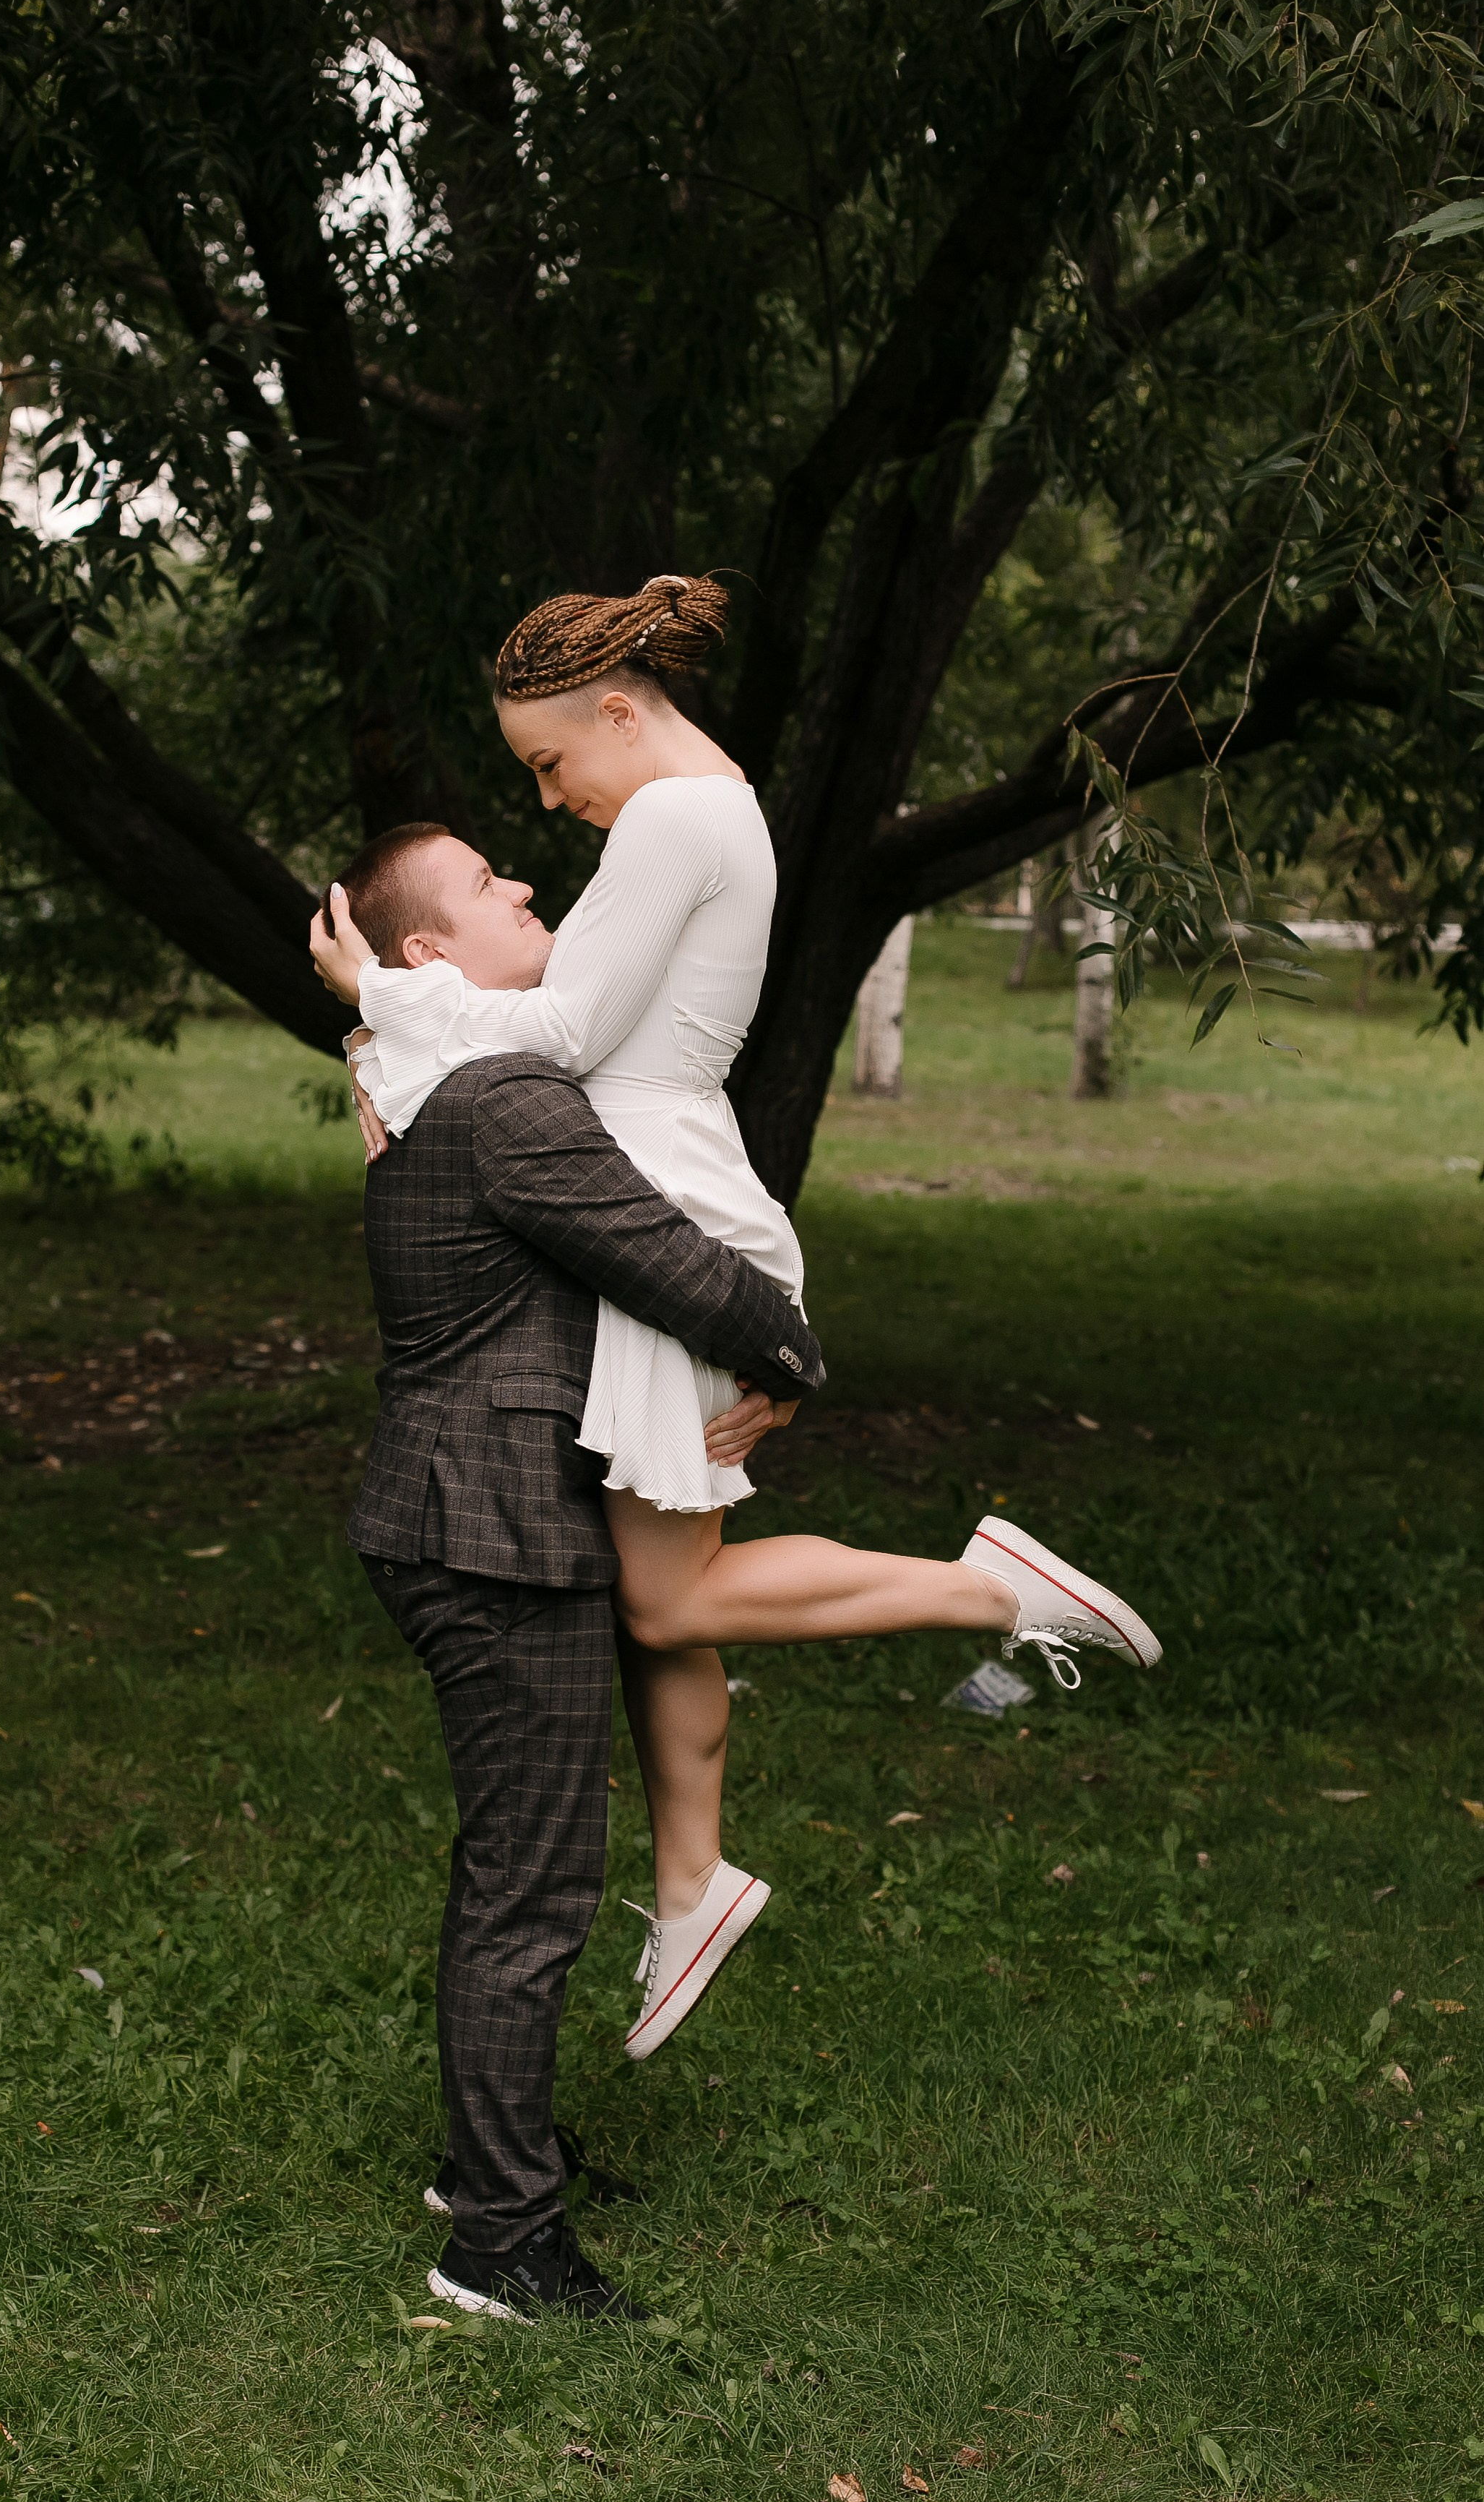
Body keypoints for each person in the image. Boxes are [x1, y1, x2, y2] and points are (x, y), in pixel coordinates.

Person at [311, 575, 1163, 2058]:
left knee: (665, 1595)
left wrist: (393, 1000)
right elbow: (570, 1022)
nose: (551, 798)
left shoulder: (676, 818)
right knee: (660, 1589)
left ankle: (994, 1590)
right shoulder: (699, 813)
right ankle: (692, 1876)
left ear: (619, 712)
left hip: (667, 1213)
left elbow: (566, 1034)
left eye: (548, 762)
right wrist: (396, 1038)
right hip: (657, 1193)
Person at [340, 913, 825, 2322]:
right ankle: (500, 2244)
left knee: (513, 1863)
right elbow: (651, 1249)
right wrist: (789, 1347)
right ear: (434, 946)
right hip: (491, 1532)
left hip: (466, 1514)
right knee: (534, 1885)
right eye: (496, 885)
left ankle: (487, 2163)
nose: (537, 900)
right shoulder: (505, 1099)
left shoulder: (428, 1078)